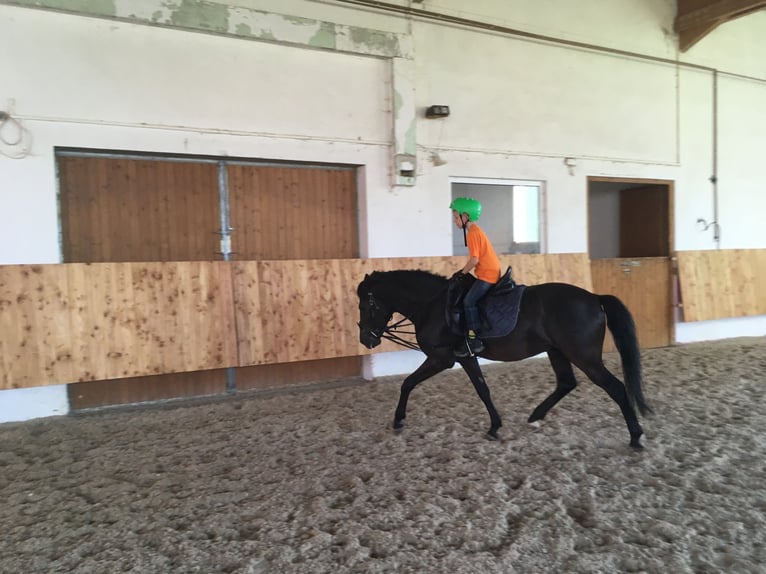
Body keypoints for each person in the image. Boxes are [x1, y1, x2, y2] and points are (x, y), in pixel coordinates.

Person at [449, 197, 501, 357]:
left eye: (456, 217)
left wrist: (461, 273)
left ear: (466, 216)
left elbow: (475, 259)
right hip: (489, 271)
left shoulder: (473, 233)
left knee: (468, 301)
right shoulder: (475, 230)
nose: (455, 221)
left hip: (488, 274)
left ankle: (474, 339)